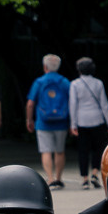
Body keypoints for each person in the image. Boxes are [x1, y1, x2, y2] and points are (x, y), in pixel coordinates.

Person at [26, 54, 71, 189]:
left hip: (43, 122)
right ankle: (59, 178)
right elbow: (72, 102)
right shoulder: (64, 82)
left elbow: (30, 104)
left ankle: (50, 179)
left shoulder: (39, 82)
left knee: (46, 151)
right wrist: (72, 122)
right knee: (59, 151)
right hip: (61, 122)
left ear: (45, 66)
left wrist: (29, 120)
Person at [68, 57, 108, 187]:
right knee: (97, 149)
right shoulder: (98, 83)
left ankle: (85, 179)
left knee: (83, 150)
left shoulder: (75, 84)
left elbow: (73, 105)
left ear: (79, 70)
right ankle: (94, 173)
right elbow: (104, 105)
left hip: (81, 121)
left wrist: (73, 124)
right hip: (97, 119)